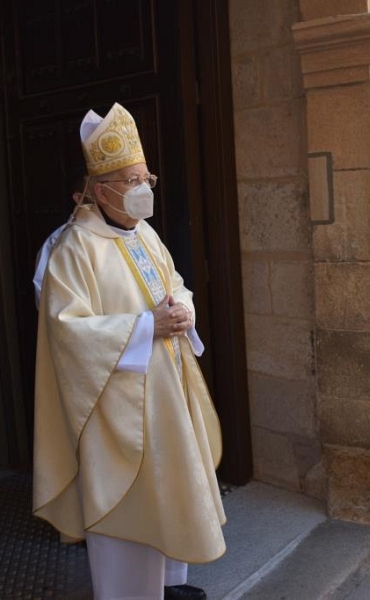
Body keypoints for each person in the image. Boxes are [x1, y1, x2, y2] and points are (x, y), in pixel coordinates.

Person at [33, 102, 226, 600]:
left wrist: (184, 310)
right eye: (130, 180)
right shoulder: (75, 248)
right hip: (114, 413)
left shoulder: (146, 235)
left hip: (166, 396)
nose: (143, 189)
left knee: (171, 496)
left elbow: (175, 283)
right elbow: (66, 331)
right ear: (100, 190)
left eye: (146, 179)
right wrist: (147, 326)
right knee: (128, 514)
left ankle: (170, 587)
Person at [33, 166, 89, 308]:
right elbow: (46, 299)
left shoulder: (139, 232)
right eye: (95, 190)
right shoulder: (58, 242)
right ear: (78, 198)